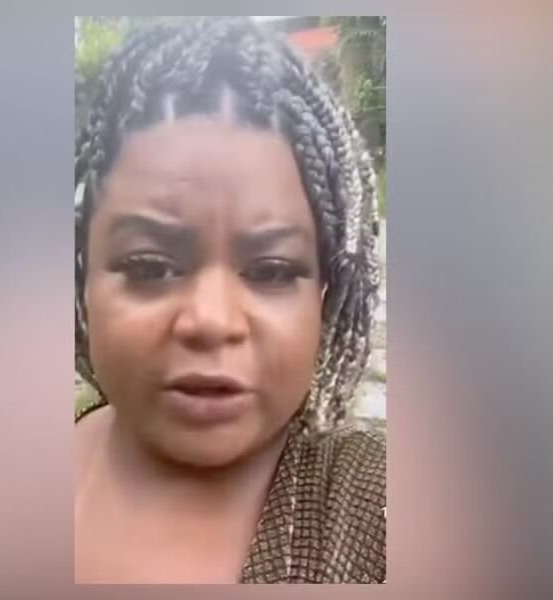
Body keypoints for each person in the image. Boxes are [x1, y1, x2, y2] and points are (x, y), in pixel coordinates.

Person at [74, 17, 385, 584]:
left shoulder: (377, 508)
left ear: (327, 294)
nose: (211, 321)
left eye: (271, 270)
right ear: (82, 274)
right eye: (149, 267)